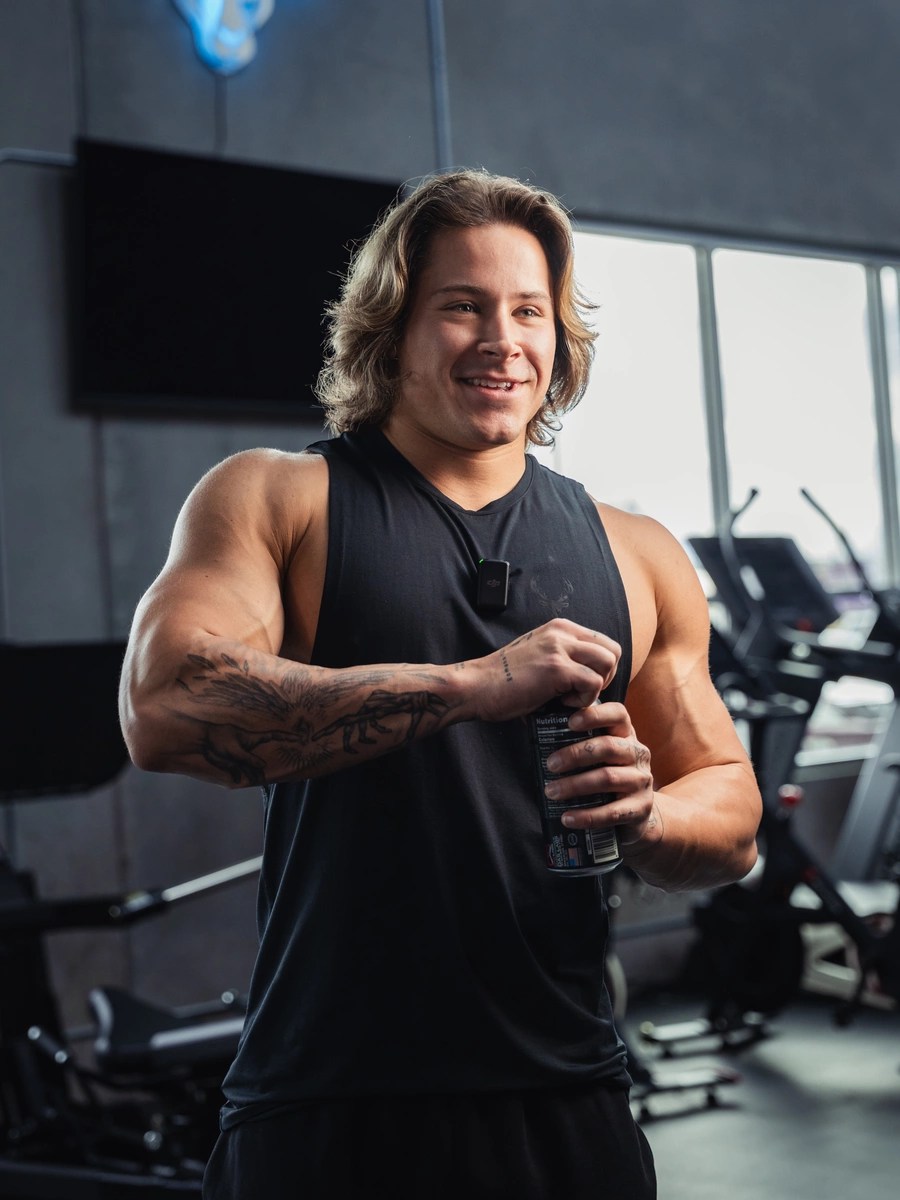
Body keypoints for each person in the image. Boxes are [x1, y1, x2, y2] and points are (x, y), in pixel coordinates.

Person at [119, 168, 762, 1200]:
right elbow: (165, 707)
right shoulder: (280, 499)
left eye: (528, 310)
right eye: (461, 306)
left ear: (559, 339)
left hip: (568, 1101)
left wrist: (646, 816)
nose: (502, 338)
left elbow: (731, 812)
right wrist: (472, 687)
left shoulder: (637, 552)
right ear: (391, 330)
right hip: (329, 1102)